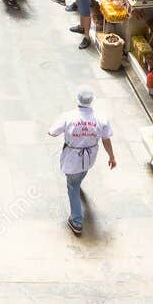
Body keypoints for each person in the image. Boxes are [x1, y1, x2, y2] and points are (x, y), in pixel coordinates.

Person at [48, 88, 116, 236]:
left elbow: (52, 132)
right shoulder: (101, 118)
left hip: (72, 157)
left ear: (77, 99)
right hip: (89, 156)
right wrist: (111, 156)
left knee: (72, 187)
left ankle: (77, 221)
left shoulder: (68, 117)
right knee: (81, 173)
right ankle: (78, 183)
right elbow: (106, 139)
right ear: (92, 100)